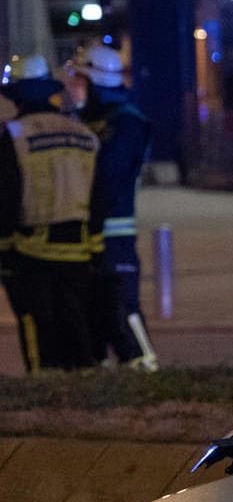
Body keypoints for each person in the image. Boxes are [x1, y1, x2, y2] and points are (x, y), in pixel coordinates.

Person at [0, 56, 99, 371]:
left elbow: (7, 197)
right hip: (79, 249)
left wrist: (4, 248)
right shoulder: (84, 134)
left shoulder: (14, 136)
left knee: (36, 323)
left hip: (31, 251)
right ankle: (82, 381)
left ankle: (46, 386)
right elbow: (100, 193)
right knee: (76, 319)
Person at [67, 43, 158, 370]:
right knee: (94, 308)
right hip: (85, 232)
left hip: (114, 234)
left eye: (80, 80)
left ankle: (146, 367)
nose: (73, 88)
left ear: (96, 83)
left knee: (122, 306)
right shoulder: (88, 121)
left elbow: (107, 177)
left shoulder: (126, 123)